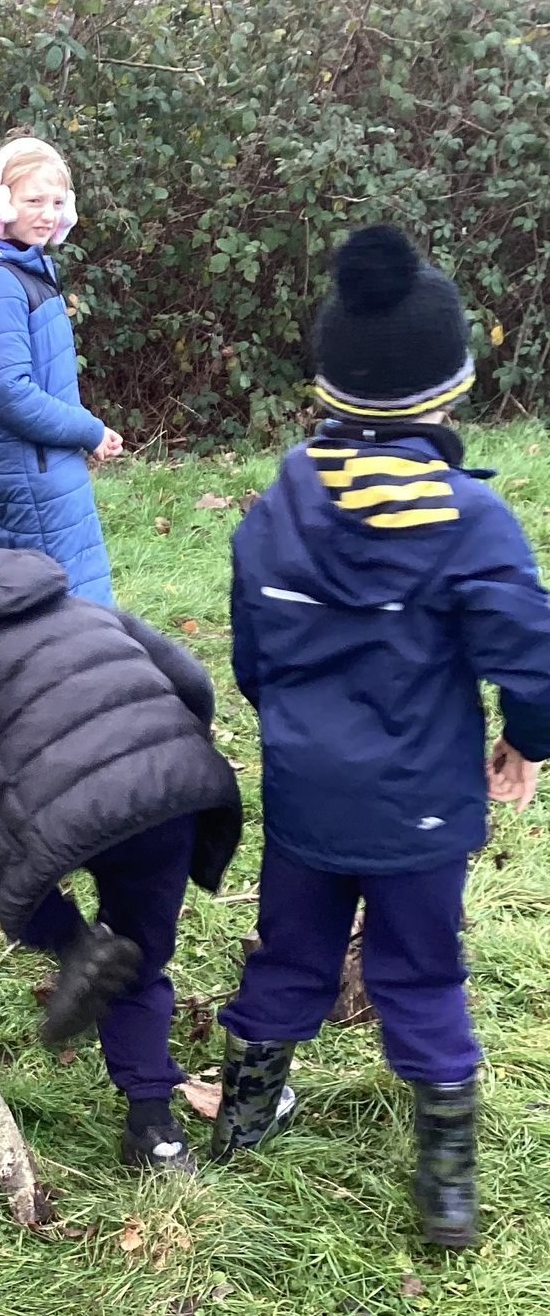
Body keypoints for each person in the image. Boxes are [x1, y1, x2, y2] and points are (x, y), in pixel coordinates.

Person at [214, 223, 550, 1248]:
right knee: (422, 970)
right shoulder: (471, 520)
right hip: (423, 809)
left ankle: (244, 1113)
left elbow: (253, 654)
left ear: (332, 387)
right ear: (448, 393)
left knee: (289, 953)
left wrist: (296, 732)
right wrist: (526, 743)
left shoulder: (278, 505)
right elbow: (532, 659)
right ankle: (446, 1180)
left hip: (306, 797)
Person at [0, 543, 242, 1173]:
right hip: (173, 795)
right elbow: (192, 680)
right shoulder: (77, 606)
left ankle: (74, 944)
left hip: (62, 814)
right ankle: (155, 1130)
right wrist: (169, 747)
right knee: (139, 957)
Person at [0, 137, 122, 603]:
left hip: (33, 455)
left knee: (18, 595)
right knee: (62, 601)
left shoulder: (23, 269)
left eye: (58, 203)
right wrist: (87, 429)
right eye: (34, 201)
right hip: (27, 460)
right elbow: (9, 388)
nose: (48, 215)